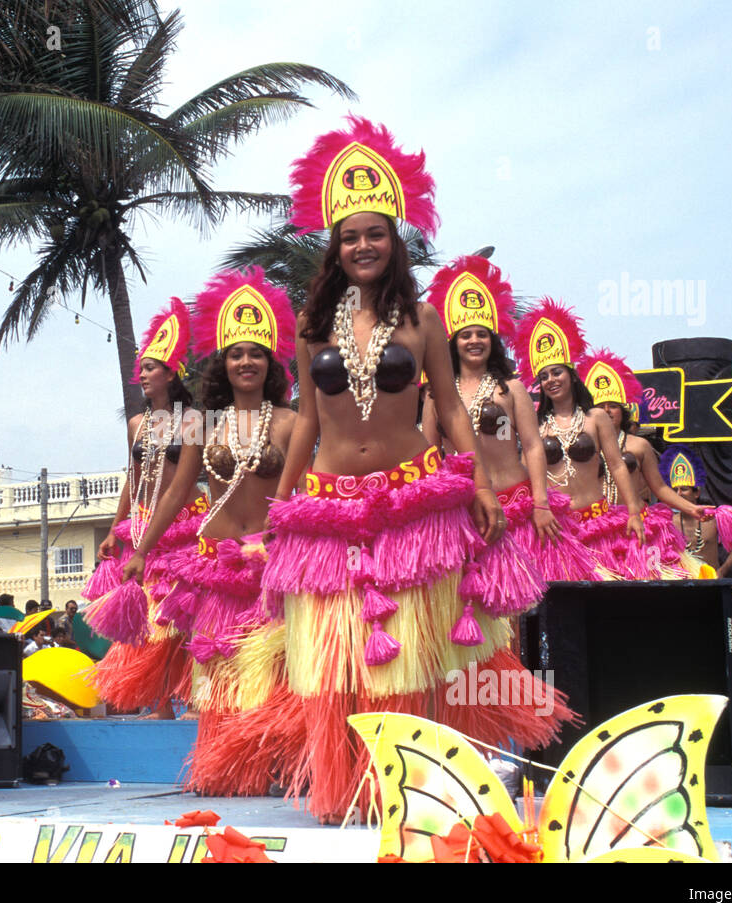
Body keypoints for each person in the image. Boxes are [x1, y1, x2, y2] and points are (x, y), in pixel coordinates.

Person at [267, 117, 570, 821]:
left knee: (407, 655)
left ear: (394, 239)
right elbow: (307, 423)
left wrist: (482, 485)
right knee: (338, 661)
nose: (363, 246)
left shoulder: (424, 319)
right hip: (330, 503)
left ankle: (414, 783)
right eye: (349, 236)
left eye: (375, 233)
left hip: (414, 504)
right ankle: (349, 789)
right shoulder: (314, 326)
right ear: (334, 247)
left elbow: (454, 413)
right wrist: (280, 514)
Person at [137, 267, 300, 793]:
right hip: (217, 563)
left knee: (274, 670)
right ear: (222, 363)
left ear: (271, 361)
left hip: (273, 562)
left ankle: (274, 761)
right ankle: (230, 766)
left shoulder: (292, 422)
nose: (246, 361)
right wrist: (141, 546)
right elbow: (178, 492)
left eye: (256, 352)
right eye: (236, 353)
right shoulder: (200, 424)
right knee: (220, 670)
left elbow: (308, 491)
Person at [422, 256, 603, 582]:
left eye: (482, 334)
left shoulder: (513, 388)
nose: (474, 341)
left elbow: (532, 446)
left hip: (519, 507)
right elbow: (431, 457)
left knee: (529, 612)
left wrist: (541, 502)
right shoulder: (436, 395)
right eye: (466, 335)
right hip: (466, 514)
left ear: (493, 341)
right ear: (453, 342)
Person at [85, 299, 208, 717]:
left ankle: (190, 696)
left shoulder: (192, 419)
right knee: (151, 617)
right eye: (142, 368)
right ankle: (159, 702)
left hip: (186, 525)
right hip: (143, 527)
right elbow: (133, 479)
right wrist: (113, 527)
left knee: (183, 613)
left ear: (172, 374)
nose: (142, 374)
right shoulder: (137, 425)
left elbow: (187, 480)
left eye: (151, 367)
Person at [511, 300, 651, 579]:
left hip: (599, 526)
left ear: (572, 375)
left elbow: (617, 466)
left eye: (557, 372)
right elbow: (527, 476)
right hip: (558, 532)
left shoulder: (596, 417)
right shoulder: (536, 427)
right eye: (544, 376)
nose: (551, 379)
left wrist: (634, 511)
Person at [580, 349, 708, 578]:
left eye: (613, 405)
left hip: (636, 524)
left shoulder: (639, 445)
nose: (607, 411)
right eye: (601, 406)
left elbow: (659, 488)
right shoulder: (584, 447)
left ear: (623, 410)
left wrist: (690, 508)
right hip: (597, 528)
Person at [660, 445, 732, 576]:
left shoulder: (715, 519)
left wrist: (721, 571)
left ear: (696, 493)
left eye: (684, 489)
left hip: (710, 584)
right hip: (682, 585)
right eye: (675, 491)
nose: (679, 494)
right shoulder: (669, 522)